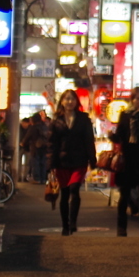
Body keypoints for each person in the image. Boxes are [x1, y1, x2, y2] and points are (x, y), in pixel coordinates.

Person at [110, 87, 139, 237]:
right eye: (137, 98)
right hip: (128, 159)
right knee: (124, 195)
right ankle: (121, 227)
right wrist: (112, 137)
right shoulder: (125, 115)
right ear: (132, 99)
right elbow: (120, 136)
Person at [49, 89, 97, 236]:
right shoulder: (56, 121)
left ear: (76, 102)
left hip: (79, 160)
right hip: (61, 161)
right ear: (62, 102)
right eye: (67, 99)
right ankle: (65, 225)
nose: (69, 102)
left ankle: (73, 221)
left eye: (72, 99)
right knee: (64, 193)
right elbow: (52, 144)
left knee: (74, 189)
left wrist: (92, 159)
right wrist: (50, 164)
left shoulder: (84, 119)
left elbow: (89, 140)